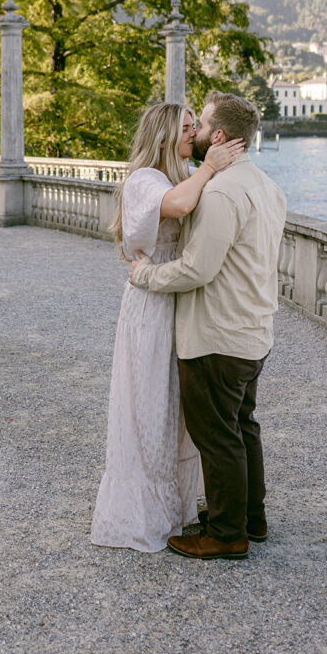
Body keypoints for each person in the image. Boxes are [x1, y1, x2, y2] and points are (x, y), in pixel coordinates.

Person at [129, 91, 287, 561]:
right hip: (255, 329)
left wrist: (145, 275)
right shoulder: (266, 186)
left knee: (217, 436)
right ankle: (249, 519)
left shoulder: (219, 192)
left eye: (201, 126)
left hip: (218, 333)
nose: (194, 133)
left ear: (218, 136)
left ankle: (225, 534)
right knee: (242, 427)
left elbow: (197, 270)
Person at [91, 102, 245, 552]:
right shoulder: (146, 180)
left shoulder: (178, 176)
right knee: (149, 407)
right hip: (150, 307)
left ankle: (174, 509)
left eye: (196, 125)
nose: (193, 133)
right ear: (161, 136)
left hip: (175, 303)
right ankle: (143, 515)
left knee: (173, 411)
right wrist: (210, 167)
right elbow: (177, 206)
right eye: (185, 127)